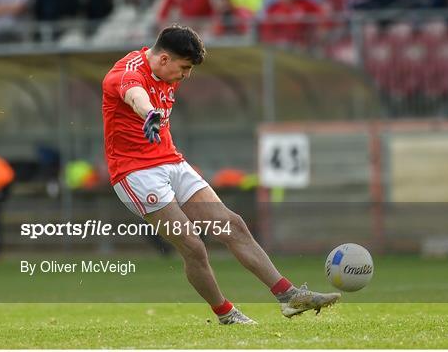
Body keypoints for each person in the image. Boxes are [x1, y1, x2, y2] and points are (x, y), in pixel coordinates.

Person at [101, 24, 340, 325]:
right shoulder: (126, 73)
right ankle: (226, 313)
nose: (186, 75)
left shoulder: (167, 70)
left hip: (171, 162)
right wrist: (148, 113)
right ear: (163, 60)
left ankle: (289, 297)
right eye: (184, 68)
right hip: (135, 173)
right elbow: (135, 94)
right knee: (193, 246)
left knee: (232, 225)